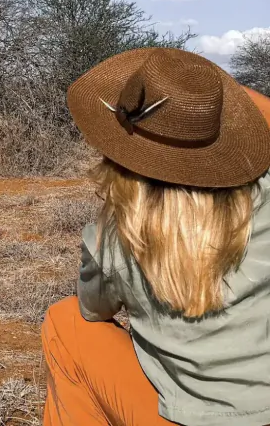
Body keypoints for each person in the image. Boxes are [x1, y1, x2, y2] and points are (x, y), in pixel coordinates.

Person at [41, 47, 270, 425]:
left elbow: (92, 310)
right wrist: (212, 98)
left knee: (64, 323)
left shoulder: (113, 238)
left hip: (179, 417)